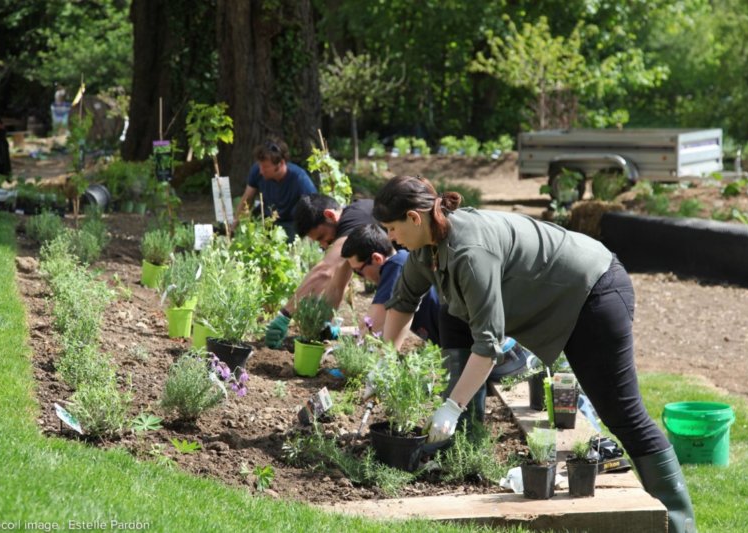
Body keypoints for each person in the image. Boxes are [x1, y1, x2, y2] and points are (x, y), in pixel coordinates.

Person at [372, 175, 695, 533]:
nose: (390, 238)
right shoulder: (426, 249)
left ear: (414, 219)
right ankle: (462, 446)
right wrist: (384, 361)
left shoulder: (469, 251)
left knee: (623, 415)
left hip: (592, 292)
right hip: (560, 293)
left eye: (391, 228)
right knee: (453, 313)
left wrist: (451, 405)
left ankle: (680, 524)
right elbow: (402, 302)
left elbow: (489, 345)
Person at [341, 222, 532, 389]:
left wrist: (349, 360)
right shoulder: (401, 263)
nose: (361, 278)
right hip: (483, 354)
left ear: (376, 259)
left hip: (497, 360)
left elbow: (371, 326)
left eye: (358, 271)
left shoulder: (396, 266)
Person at [263, 194, 376, 348]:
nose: (323, 245)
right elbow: (337, 285)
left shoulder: (353, 220)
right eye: (318, 242)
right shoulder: (352, 230)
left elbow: (325, 271)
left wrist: (285, 314)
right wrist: (322, 325)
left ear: (330, 215)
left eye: (322, 237)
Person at [234, 137, 317, 241]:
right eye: (260, 165)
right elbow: (247, 199)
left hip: (290, 222)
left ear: (281, 163)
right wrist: (234, 225)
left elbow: (314, 209)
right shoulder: (257, 170)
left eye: (265, 167)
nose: (261, 171)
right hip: (267, 219)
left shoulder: (300, 178)